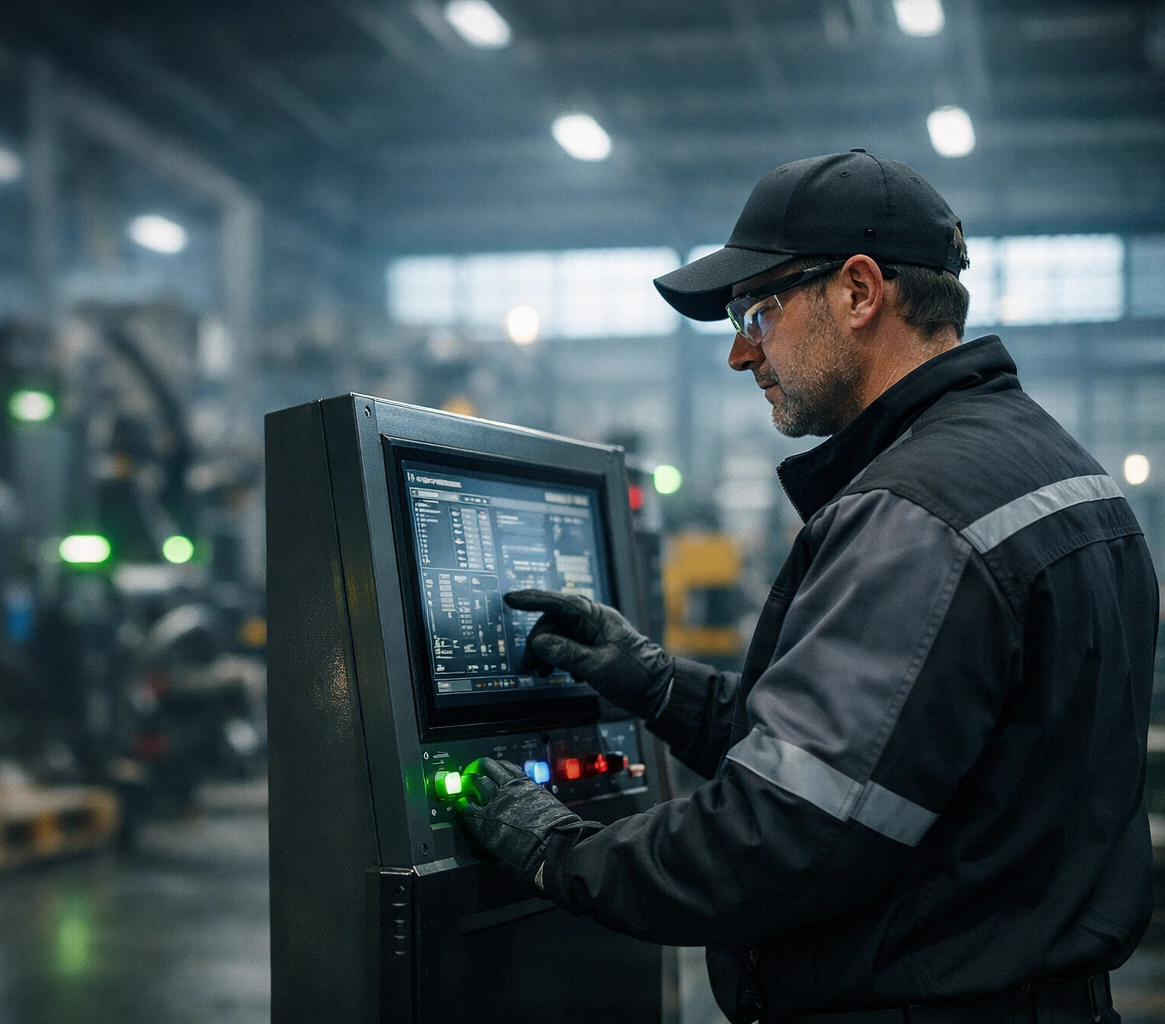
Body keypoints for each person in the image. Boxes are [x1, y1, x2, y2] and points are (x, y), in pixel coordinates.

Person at [453, 150, 1157, 1024]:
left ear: (860, 292)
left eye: (758, 310)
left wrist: (561, 855)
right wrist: (662, 686)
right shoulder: (1056, 470)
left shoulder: (914, 513)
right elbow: (901, 756)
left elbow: (785, 834)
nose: (742, 353)